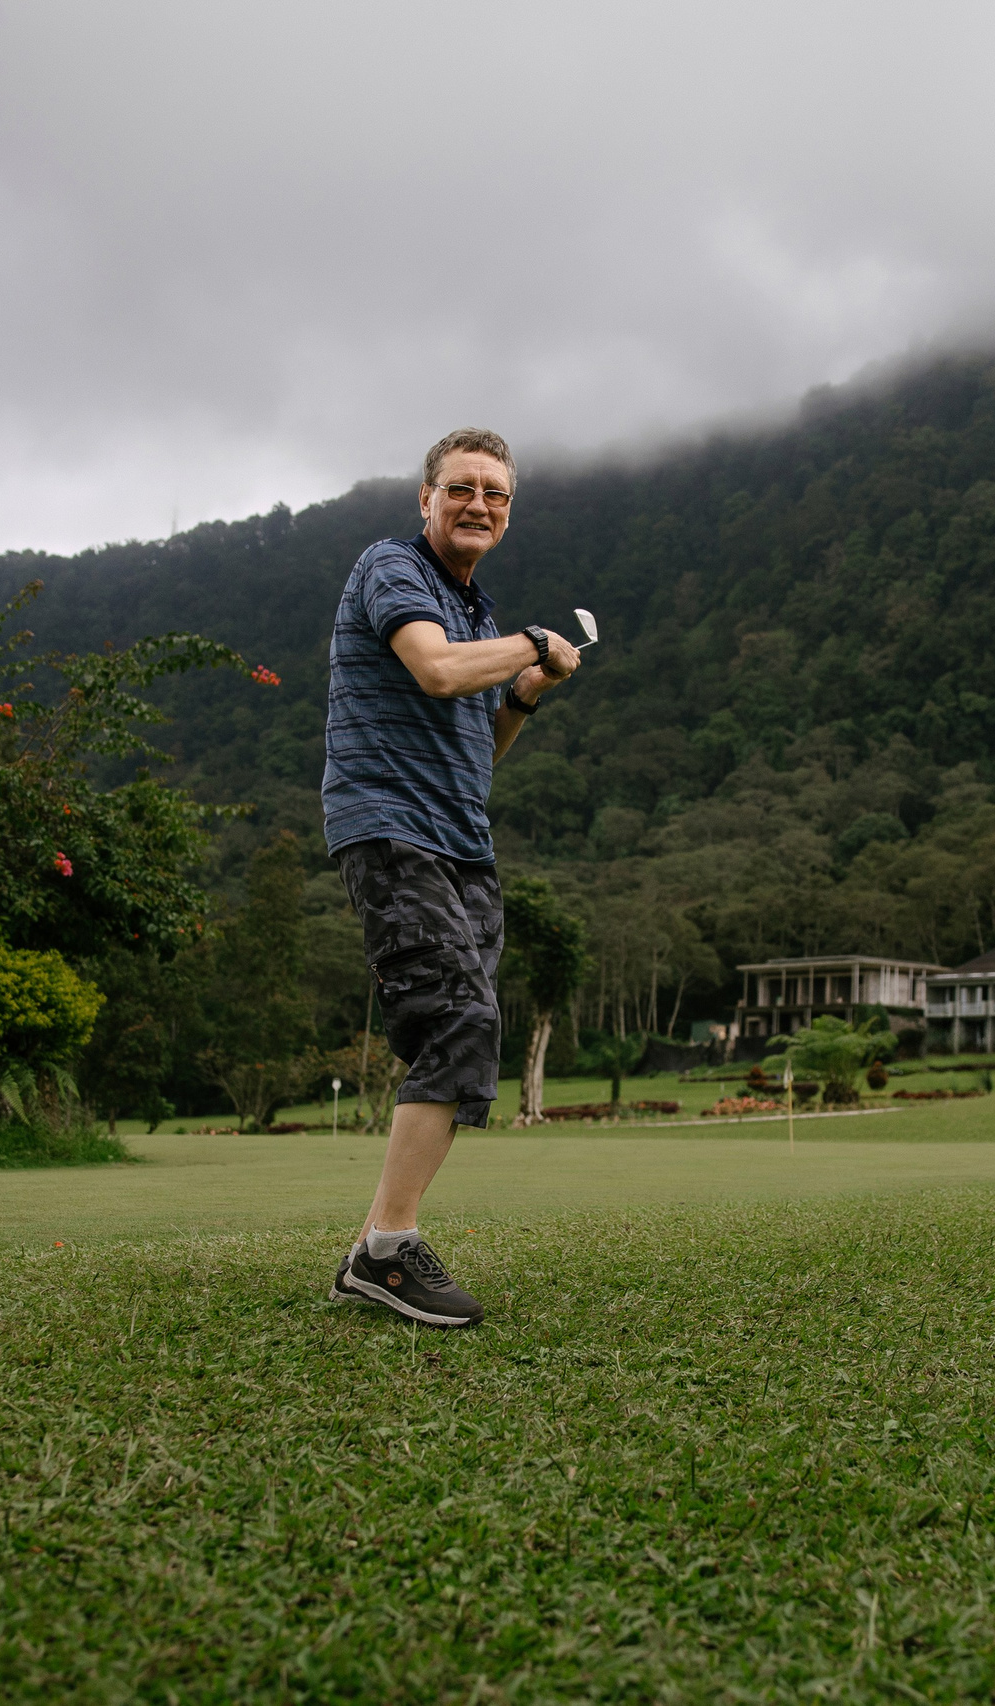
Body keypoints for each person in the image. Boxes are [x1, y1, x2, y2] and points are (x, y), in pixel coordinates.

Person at [323, 427, 579, 1327]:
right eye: (462, 488)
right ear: (425, 500)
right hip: (390, 829)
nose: (479, 504)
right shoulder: (392, 568)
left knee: (457, 1038)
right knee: (461, 1018)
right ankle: (388, 1253)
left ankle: (373, 1250)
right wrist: (533, 641)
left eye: (496, 494)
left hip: (463, 839)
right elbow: (433, 673)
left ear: (509, 513)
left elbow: (480, 746)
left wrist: (525, 690)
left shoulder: (479, 615)